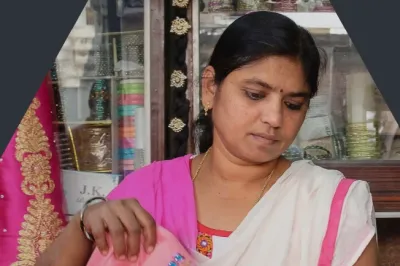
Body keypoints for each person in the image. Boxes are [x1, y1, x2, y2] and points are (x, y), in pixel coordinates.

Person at [35, 11, 379, 266]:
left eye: (292, 104)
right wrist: (84, 226)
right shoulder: (147, 190)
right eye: (256, 95)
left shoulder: (330, 203)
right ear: (211, 87)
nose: (274, 119)